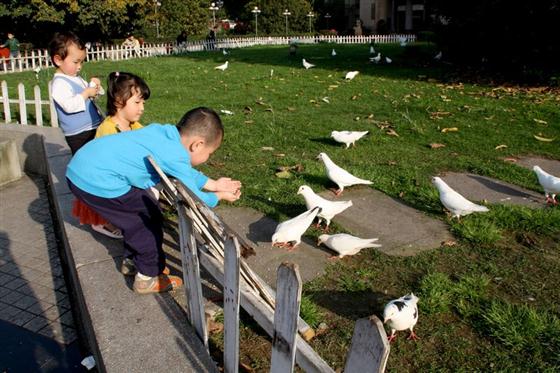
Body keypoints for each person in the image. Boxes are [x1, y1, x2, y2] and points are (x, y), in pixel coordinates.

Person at [66, 107, 242, 294]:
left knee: (135, 216)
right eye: (210, 153)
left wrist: (214, 184)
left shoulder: (164, 134)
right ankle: (147, 276)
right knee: (146, 221)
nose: (208, 158)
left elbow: (184, 172)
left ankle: (133, 260)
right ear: (197, 145)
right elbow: (197, 198)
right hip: (97, 179)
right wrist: (219, 196)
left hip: (83, 167)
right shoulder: (175, 154)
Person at [72, 71, 150, 240]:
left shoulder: (133, 124)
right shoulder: (108, 129)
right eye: (137, 102)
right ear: (118, 101)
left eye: (143, 102)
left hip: (118, 176)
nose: (142, 108)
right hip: (103, 182)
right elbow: (109, 165)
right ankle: (103, 222)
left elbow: (146, 139)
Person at [49, 31, 103, 154]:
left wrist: (95, 87)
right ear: (58, 60)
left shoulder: (75, 78)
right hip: (79, 133)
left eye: (82, 62)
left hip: (91, 127)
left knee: (95, 156)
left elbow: (90, 95)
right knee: (85, 159)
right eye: (76, 62)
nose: (79, 67)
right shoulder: (59, 83)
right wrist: (86, 93)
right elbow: (69, 106)